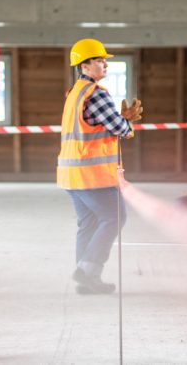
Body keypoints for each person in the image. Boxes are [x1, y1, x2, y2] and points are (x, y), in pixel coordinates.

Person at [57, 38, 143, 295]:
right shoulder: (96, 93)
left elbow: (96, 125)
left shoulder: (74, 93)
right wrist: (126, 123)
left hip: (71, 173)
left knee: (89, 223)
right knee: (115, 216)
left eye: (105, 61)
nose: (105, 65)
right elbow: (119, 129)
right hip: (90, 174)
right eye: (99, 61)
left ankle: (87, 279)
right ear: (84, 66)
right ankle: (86, 270)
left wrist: (119, 118)